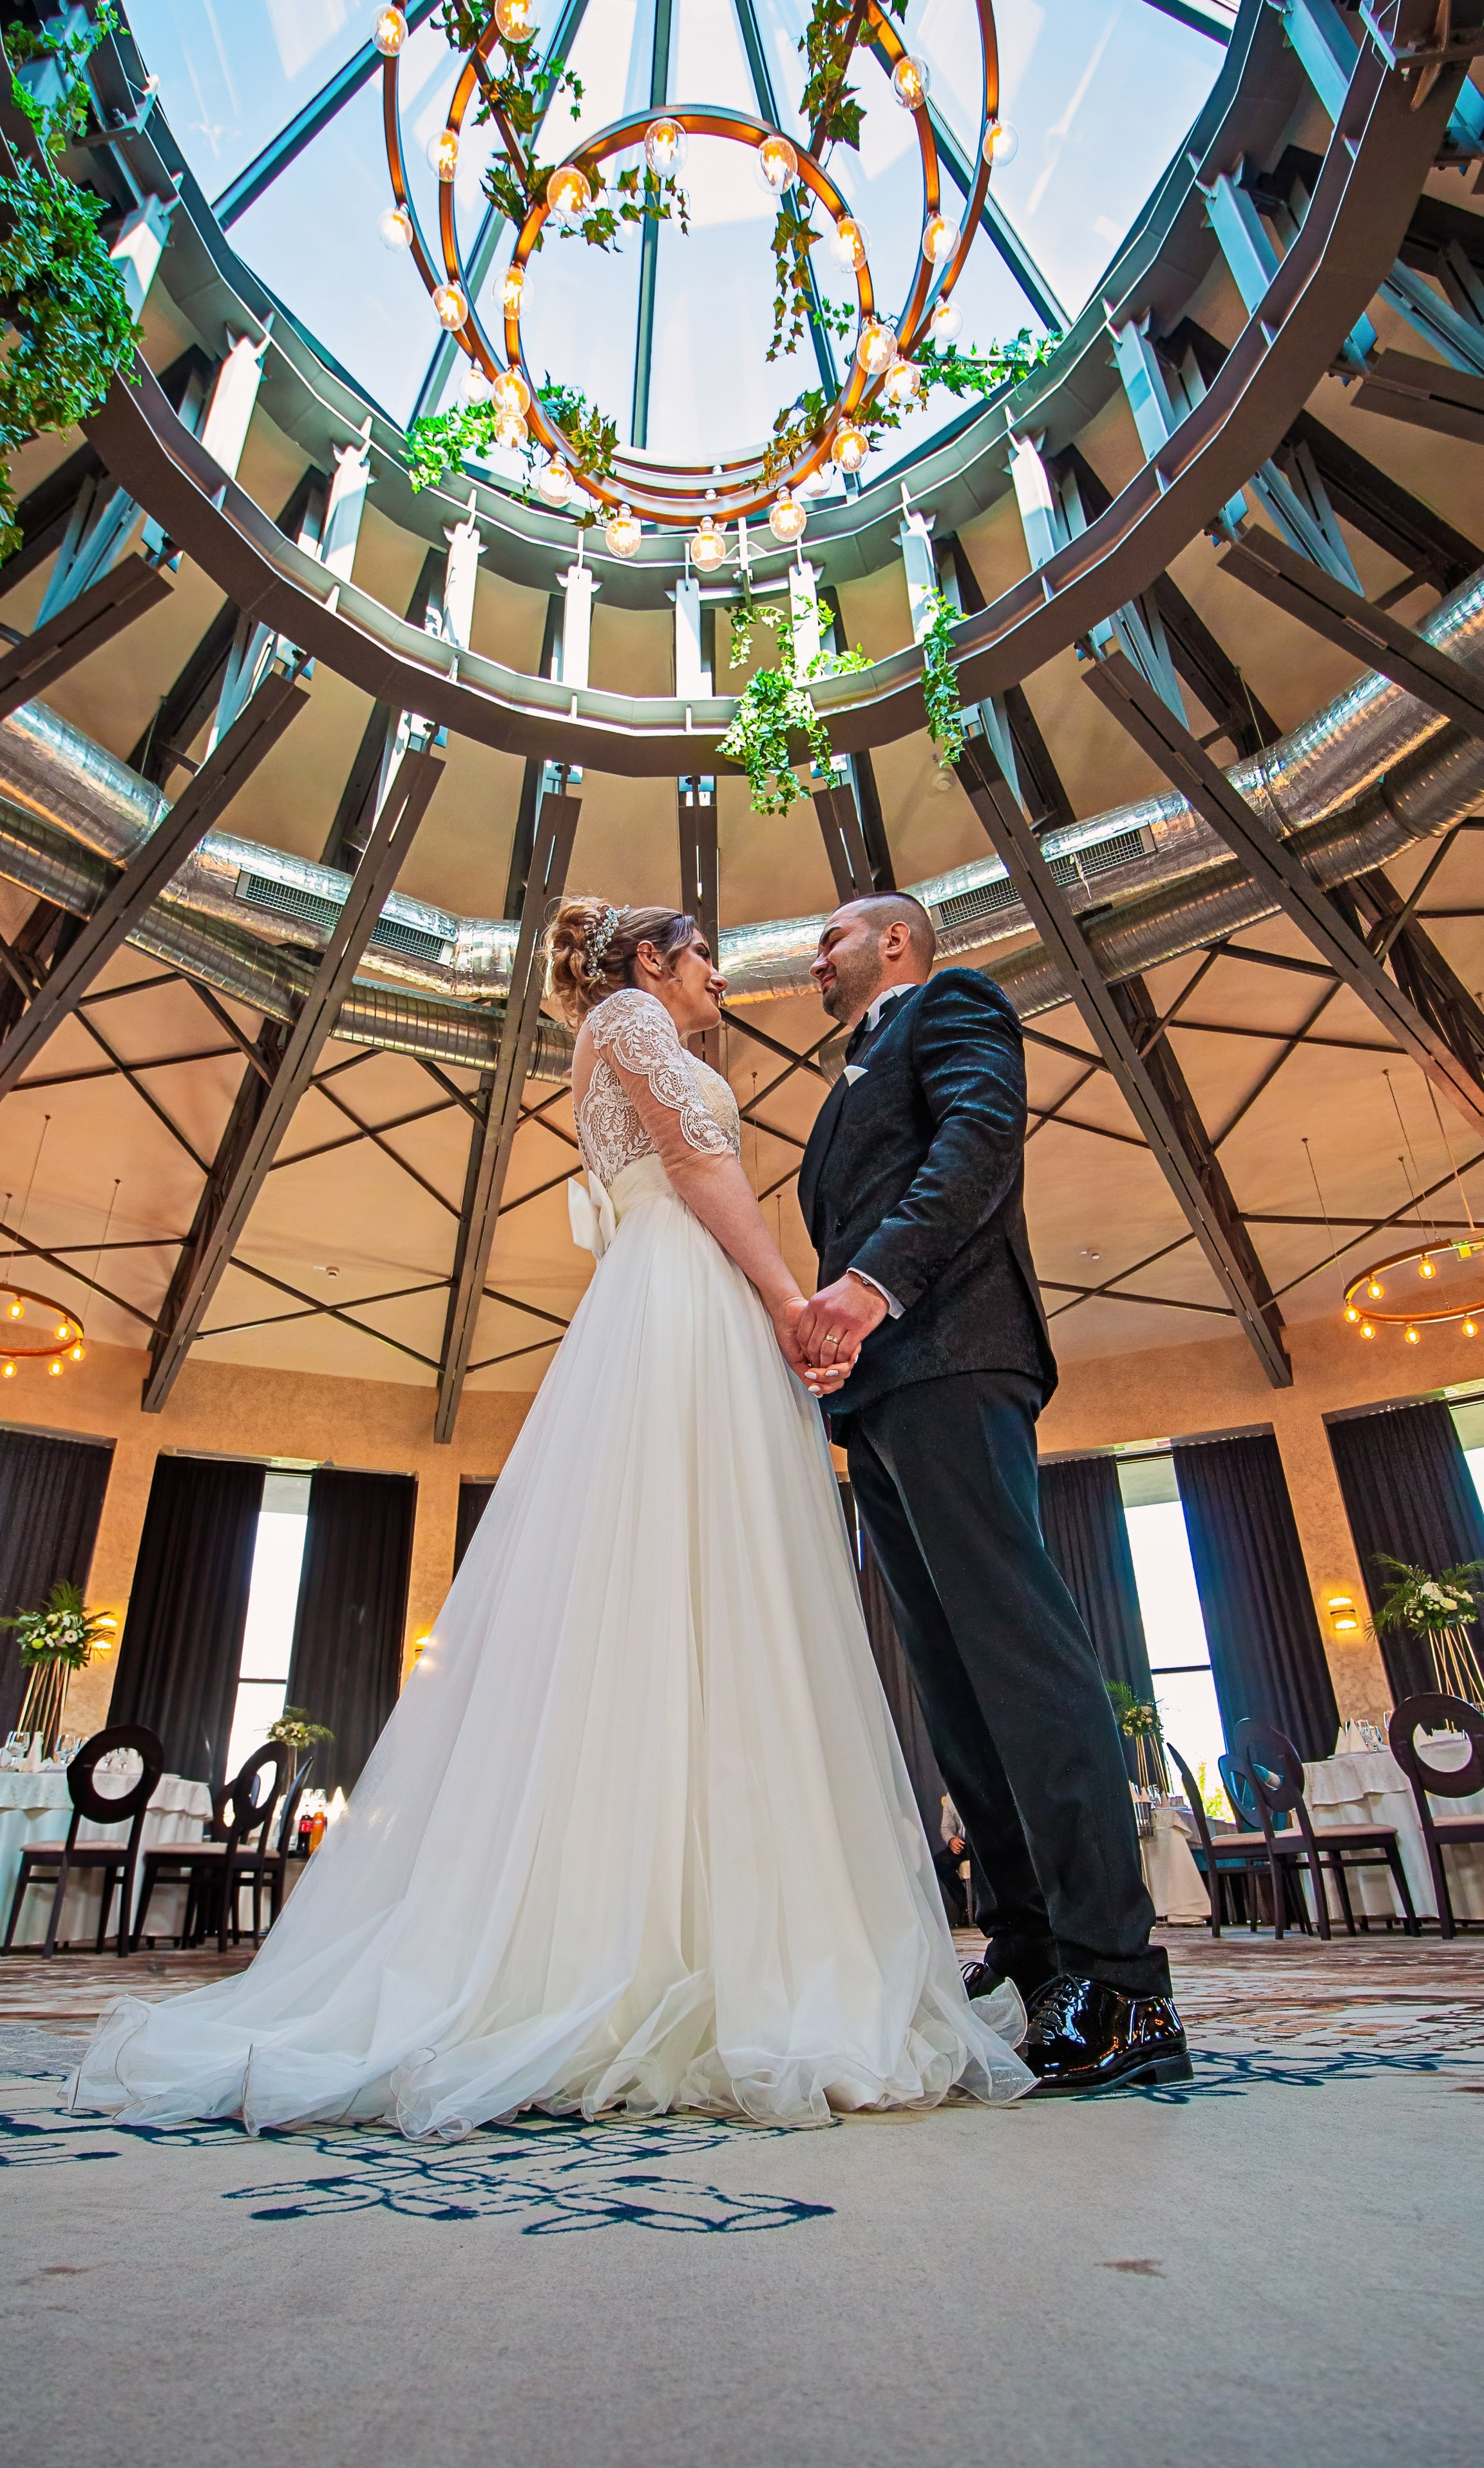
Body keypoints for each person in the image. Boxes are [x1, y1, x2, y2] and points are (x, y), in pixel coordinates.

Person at [68, 899, 1031, 2138]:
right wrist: (796, 1302)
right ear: (648, 964)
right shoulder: (631, 1019)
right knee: (693, 1576)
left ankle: (698, 1922)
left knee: (694, 1593)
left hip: (677, 1295)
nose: (720, 986)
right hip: (682, 1296)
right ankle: (660, 1947)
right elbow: (700, 1168)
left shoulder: (641, 1030)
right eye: (704, 965)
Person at [795, 894, 1191, 2095]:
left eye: (834, 935)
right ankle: (1027, 1948)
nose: (815, 955)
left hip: (957, 1355)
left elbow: (979, 1144)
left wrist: (866, 1289)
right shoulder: (845, 1079)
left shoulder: (952, 1006)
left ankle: (1121, 1982)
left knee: (1019, 1656)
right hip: (878, 1398)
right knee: (955, 1687)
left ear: (898, 944)